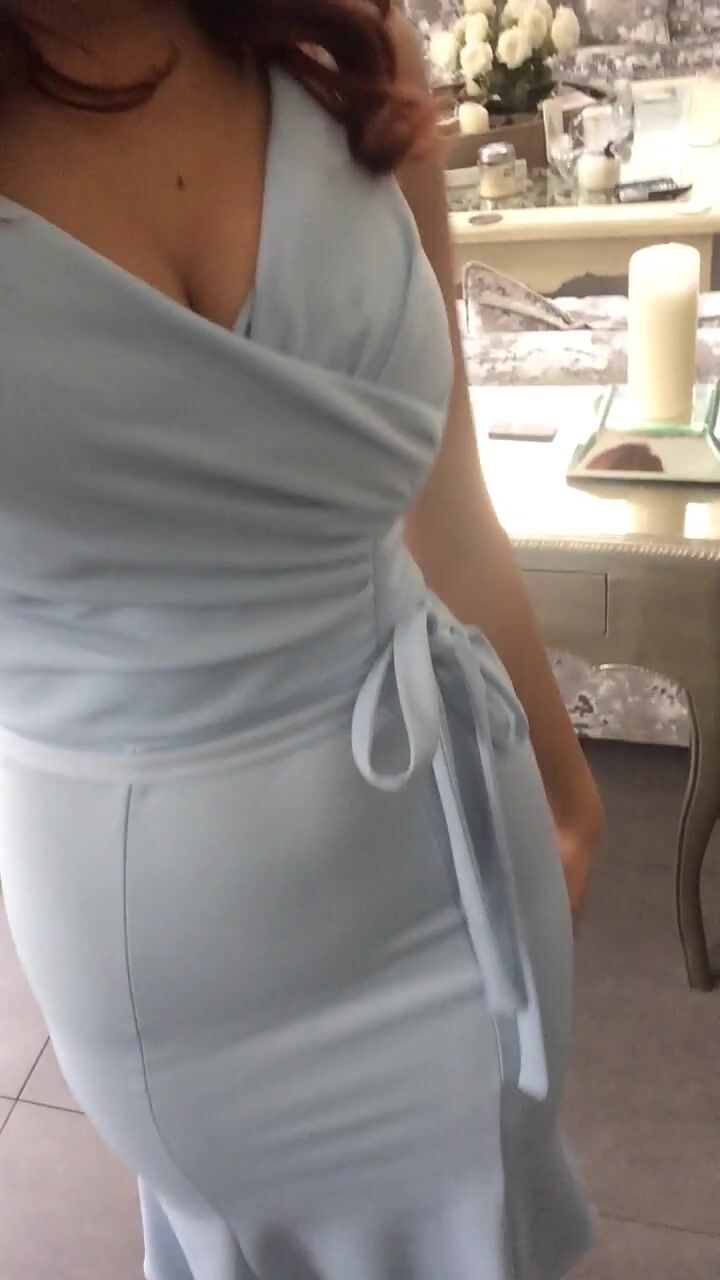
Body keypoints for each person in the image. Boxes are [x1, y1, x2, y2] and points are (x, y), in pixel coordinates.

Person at [0, 3, 602, 1277]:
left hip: (458, 836)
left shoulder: (334, 45)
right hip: (173, 947)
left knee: (490, 1212)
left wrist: (565, 787)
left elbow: (449, 502)